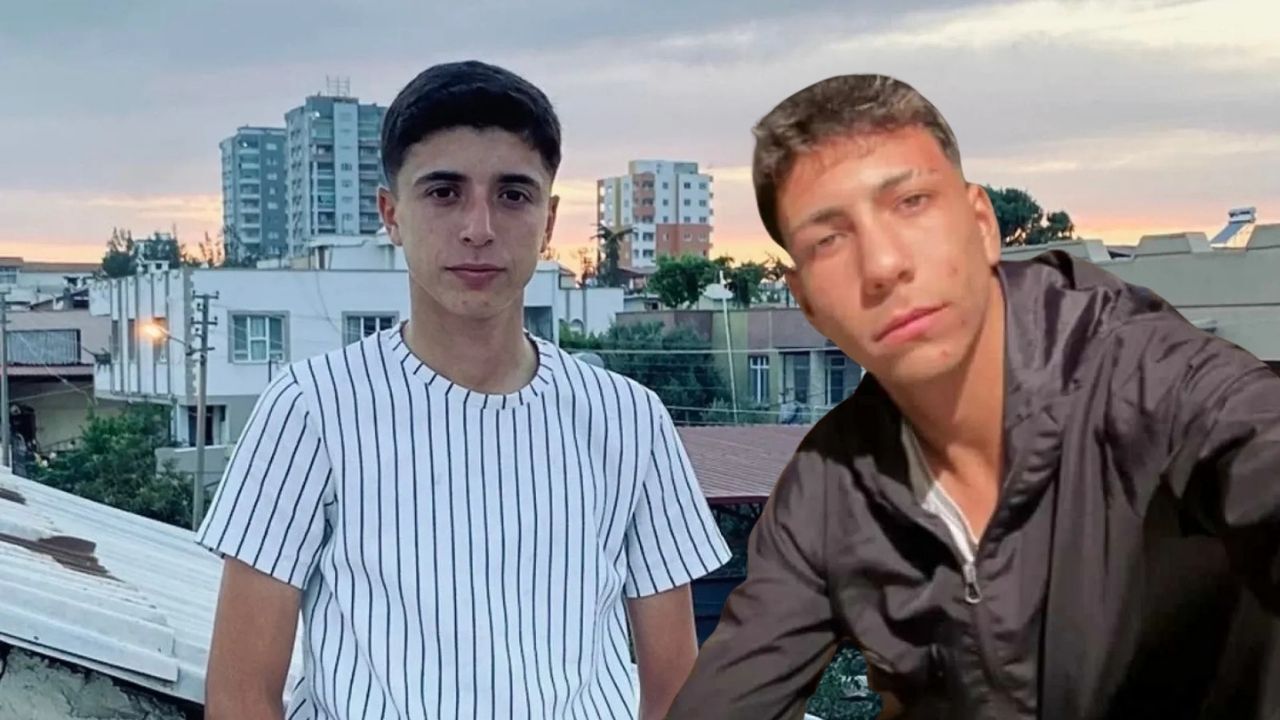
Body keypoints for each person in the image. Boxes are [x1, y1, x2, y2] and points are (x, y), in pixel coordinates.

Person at [667, 73, 1280, 719]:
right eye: (828, 240)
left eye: (911, 203)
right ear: (808, 303)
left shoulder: (1148, 376)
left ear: (983, 225)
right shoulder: (828, 490)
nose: (883, 265)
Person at [198, 60, 730, 720]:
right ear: (391, 214)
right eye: (444, 192)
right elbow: (241, 694)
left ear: (549, 220)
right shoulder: (311, 410)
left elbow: (675, 689)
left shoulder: (628, 419)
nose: (479, 227)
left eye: (513, 195)